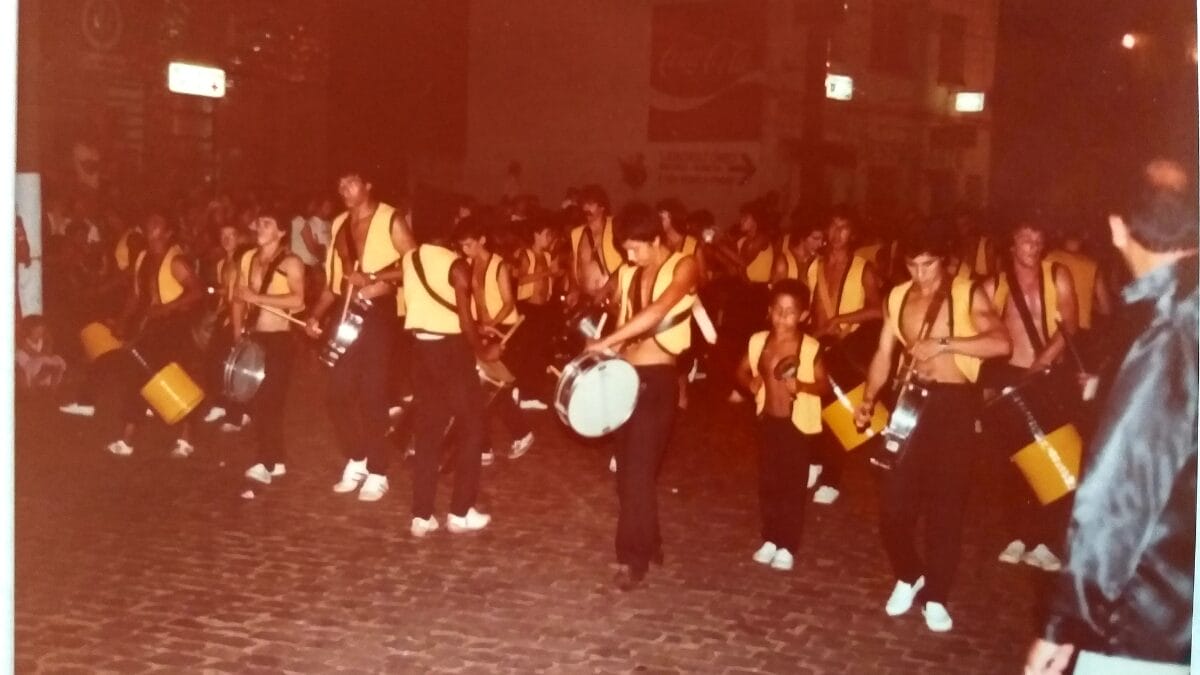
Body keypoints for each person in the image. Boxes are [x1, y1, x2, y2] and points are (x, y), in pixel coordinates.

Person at [1025, 167, 1196, 675]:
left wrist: (1065, 625)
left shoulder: (1171, 330)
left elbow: (1120, 492)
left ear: (1118, 228)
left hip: (1152, 614)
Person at [854, 226, 1010, 632]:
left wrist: (944, 344)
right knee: (893, 508)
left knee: (946, 510)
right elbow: (884, 353)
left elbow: (1000, 342)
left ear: (945, 261)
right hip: (909, 404)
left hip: (953, 406)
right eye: (912, 265)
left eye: (928, 265)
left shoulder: (966, 293)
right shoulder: (898, 296)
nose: (920, 274)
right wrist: (869, 399)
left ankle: (936, 595)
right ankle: (909, 574)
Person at [584, 202, 700, 591]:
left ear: (656, 239)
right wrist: (604, 345)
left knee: (637, 471)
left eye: (635, 248)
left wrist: (607, 341)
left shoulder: (684, 265)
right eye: (625, 250)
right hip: (625, 378)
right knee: (629, 475)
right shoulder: (630, 272)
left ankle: (630, 559)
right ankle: (650, 543)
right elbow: (623, 321)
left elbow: (656, 312)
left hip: (658, 380)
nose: (629, 257)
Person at [304, 168, 416, 501]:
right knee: (336, 395)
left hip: (380, 315)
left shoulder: (391, 219)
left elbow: (415, 264)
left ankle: (378, 471)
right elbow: (334, 282)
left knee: (372, 394)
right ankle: (358, 456)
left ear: (368, 185)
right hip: (346, 312)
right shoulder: (338, 224)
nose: (344, 188)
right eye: (339, 183)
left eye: (350, 181)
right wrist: (315, 315)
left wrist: (374, 277)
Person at [982, 218, 1080, 571]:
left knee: (1056, 460)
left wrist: (1039, 364)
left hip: (1048, 376)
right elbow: (987, 336)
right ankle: (1019, 536)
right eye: (1026, 240)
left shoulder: (1058, 276)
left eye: (1038, 241)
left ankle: (1046, 541)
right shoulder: (994, 287)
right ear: (1012, 245)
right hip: (1011, 378)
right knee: (1017, 463)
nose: (1033, 247)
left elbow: (1069, 325)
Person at [403, 235, 501, 537]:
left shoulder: (410, 259)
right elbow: (461, 319)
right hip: (451, 352)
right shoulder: (457, 265)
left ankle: (421, 516)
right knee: (473, 427)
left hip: (421, 352)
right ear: (450, 239)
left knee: (428, 432)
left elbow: (434, 308)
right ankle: (460, 512)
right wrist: (483, 351)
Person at [736, 279, 827, 572]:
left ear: (803, 316)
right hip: (768, 420)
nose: (782, 317)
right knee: (769, 483)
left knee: (791, 486)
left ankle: (788, 543)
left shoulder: (810, 347)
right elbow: (741, 370)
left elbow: (824, 385)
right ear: (769, 310)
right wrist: (749, 382)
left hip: (796, 425)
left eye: (790, 312)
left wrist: (800, 385)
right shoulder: (759, 341)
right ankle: (770, 538)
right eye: (777, 310)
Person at [105, 210, 205, 457]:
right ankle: (127, 439)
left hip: (175, 326)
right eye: (149, 222)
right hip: (154, 325)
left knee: (177, 377)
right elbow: (136, 295)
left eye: (157, 224)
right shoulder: (143, 259)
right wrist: (122, 321)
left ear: (168, 232)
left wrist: (167, 308)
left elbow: (197, 292)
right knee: (137, 374)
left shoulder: (176, 261)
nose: (150, 225)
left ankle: (186, 439)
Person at [806, 205, 883, 505]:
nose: (837, 234)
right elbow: (812, 306)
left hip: (848, 347)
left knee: (838, 412)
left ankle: (831, 478)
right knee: (813, 405)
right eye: (833, 226)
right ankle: (814, 461)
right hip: (820, 344)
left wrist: (840, 320)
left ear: (853, 233)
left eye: (844, 227)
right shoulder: (816, 266)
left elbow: (879, 308)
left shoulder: (864, 268)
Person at [230, 211, 305, 485]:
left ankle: (265, 461)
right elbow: (239, 297)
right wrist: (237, 332)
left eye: (267, 224)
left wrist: (258, 297)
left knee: (268, 401)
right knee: (259, 399)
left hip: (280, 341)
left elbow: (297, 301)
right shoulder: (248, 258)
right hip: (254, 339)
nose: (260, 227)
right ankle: (278, 460)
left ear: (281, 232)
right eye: (259, 223)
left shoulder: (292, 263)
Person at [453, 215, 535, 464]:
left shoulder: (498, 265)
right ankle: (485, 446)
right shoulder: (467, 264)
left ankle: (521, 433)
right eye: (462, 245)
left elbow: (509, 301)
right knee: (479, 387)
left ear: (482, 240)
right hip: (482, 330)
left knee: (493, 388)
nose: (465, 249)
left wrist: (492, 324)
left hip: (504, 330)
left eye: (469, 244)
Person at [511, 214, 560, 409]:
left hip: (543, 308)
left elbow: (548, 282)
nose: (549, 238)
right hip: (528, 308)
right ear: (537, 235)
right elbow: (521, 280)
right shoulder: (527, 255)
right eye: (547, 234)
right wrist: (548, 273)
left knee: (539, 351)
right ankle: (524, 392)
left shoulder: (547, 256)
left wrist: (553, 278)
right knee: (528, 351)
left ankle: (530, 392)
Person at [567, 184, 623, 307]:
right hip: (585, 299)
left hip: (612, 299)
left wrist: (606, 288)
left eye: (591, 204)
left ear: (602, 206)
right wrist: (574, 289)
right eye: (584, 204)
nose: (586, 208)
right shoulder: (576, 233)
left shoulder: (616, 228)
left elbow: (626, 263)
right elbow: (574, 265)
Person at [16, 315, 67, 390]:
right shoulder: (23, 344)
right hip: (29, 368)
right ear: (29, 330)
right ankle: (36, 385)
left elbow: (48, 354)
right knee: (39, 361)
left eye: (42, 330)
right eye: (37, 330)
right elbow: (30, 357)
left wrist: (47, 357)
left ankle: (52, 389)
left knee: (57, 361)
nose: (40, 332)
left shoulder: (44, 342)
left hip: (45, 366)